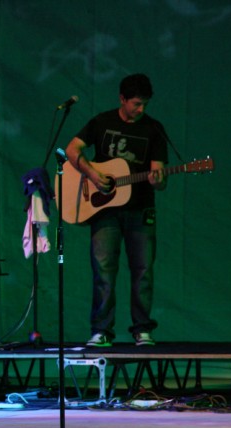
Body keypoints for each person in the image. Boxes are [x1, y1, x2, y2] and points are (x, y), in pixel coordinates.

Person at [64, 74, 168, 347]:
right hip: (105, 210)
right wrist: (95, 175)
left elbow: (159, 177)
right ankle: (101, 331)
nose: (140, 109)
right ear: (122, 99)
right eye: (136, 103)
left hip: (140, 209)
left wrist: (159, 179)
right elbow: (72, 149)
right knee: (103, 270)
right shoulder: (102, 122)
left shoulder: (154, 129)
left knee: (143, 270)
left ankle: (142, 330)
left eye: (144, 104)